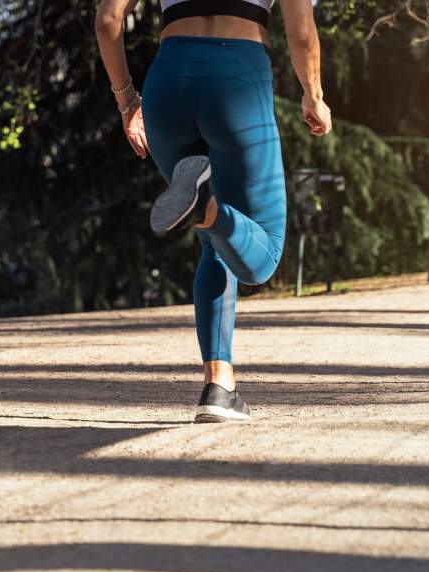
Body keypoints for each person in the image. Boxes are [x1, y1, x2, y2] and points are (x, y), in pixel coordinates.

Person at [95, 0, 332, 422]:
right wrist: (313, 95)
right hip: (236, 80)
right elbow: (300, 32)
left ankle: (219, 387)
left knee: (215, 247)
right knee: (264, 254)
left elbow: (108, 20)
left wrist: (128, 102)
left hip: (168, 85)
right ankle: (208, 209)